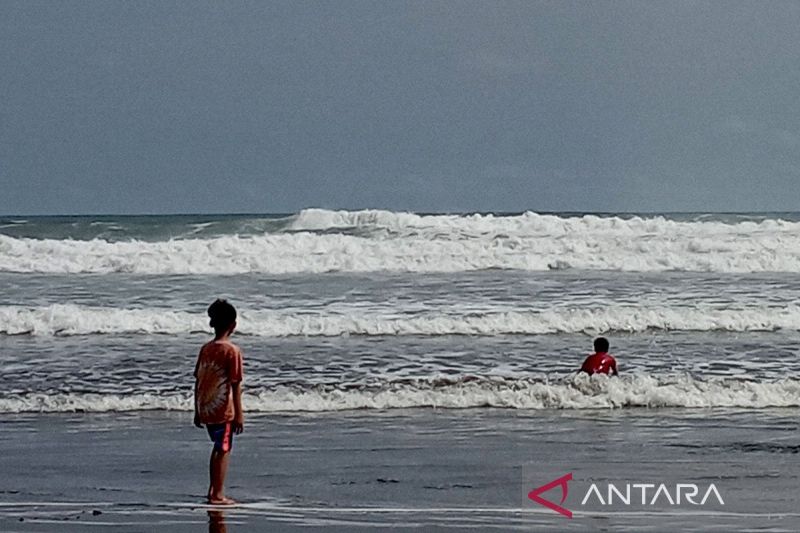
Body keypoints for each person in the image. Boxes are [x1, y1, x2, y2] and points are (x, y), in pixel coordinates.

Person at [194, 299, 244, 505]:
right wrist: (239, 414)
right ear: (233, 325)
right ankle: (217, 494)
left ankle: (212, 489)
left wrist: (197, 410)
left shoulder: (206, 348)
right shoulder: (232, 351)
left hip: (206, 406)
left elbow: (199, 380)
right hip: (223, 409)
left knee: (217, 448)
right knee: (223, 449)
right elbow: (235, 385)